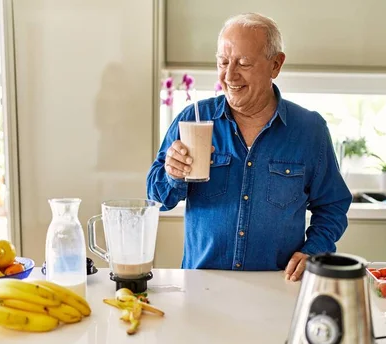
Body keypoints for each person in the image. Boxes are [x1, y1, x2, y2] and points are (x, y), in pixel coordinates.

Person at [146, 12, 352, 281]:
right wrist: (173, 175)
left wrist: (314, 251)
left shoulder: (309, 130)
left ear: (275, 65)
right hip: (201, 287)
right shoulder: (192, 119)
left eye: (243, 63)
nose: (229, 75)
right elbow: (155, 200)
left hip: (277, 286)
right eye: (223, 62)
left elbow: (333, 206)